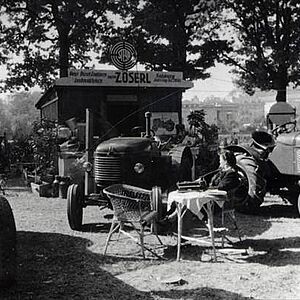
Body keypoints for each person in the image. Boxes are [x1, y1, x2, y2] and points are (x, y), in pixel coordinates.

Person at [161, 150, 240, 225]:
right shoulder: (222, 171)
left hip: (217, 203)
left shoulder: (231, 174)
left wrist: (205, 188)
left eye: (221, 159)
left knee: (188, 201)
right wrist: (199, 182)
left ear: (226, 161)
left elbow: (222, 187)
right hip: (210, 199)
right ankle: (171, 219)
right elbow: (209, 178)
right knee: (185, 199)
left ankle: (172, 221)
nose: (219, 161)